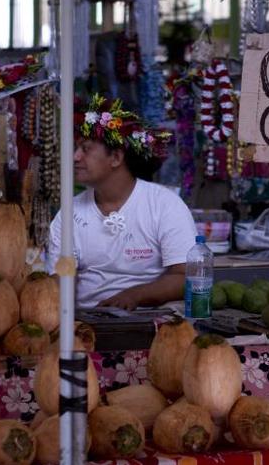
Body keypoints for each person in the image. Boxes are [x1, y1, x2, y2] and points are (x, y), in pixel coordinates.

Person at [48, 94, 197, 311]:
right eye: (76, 149)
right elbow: (63, 277)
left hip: (149, 325)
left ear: (116, 158)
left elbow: (186, 276)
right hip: (86, 324)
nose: (75, 157)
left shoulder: (164, 205)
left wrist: (134, 296)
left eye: (86, 149)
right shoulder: (70, 214)